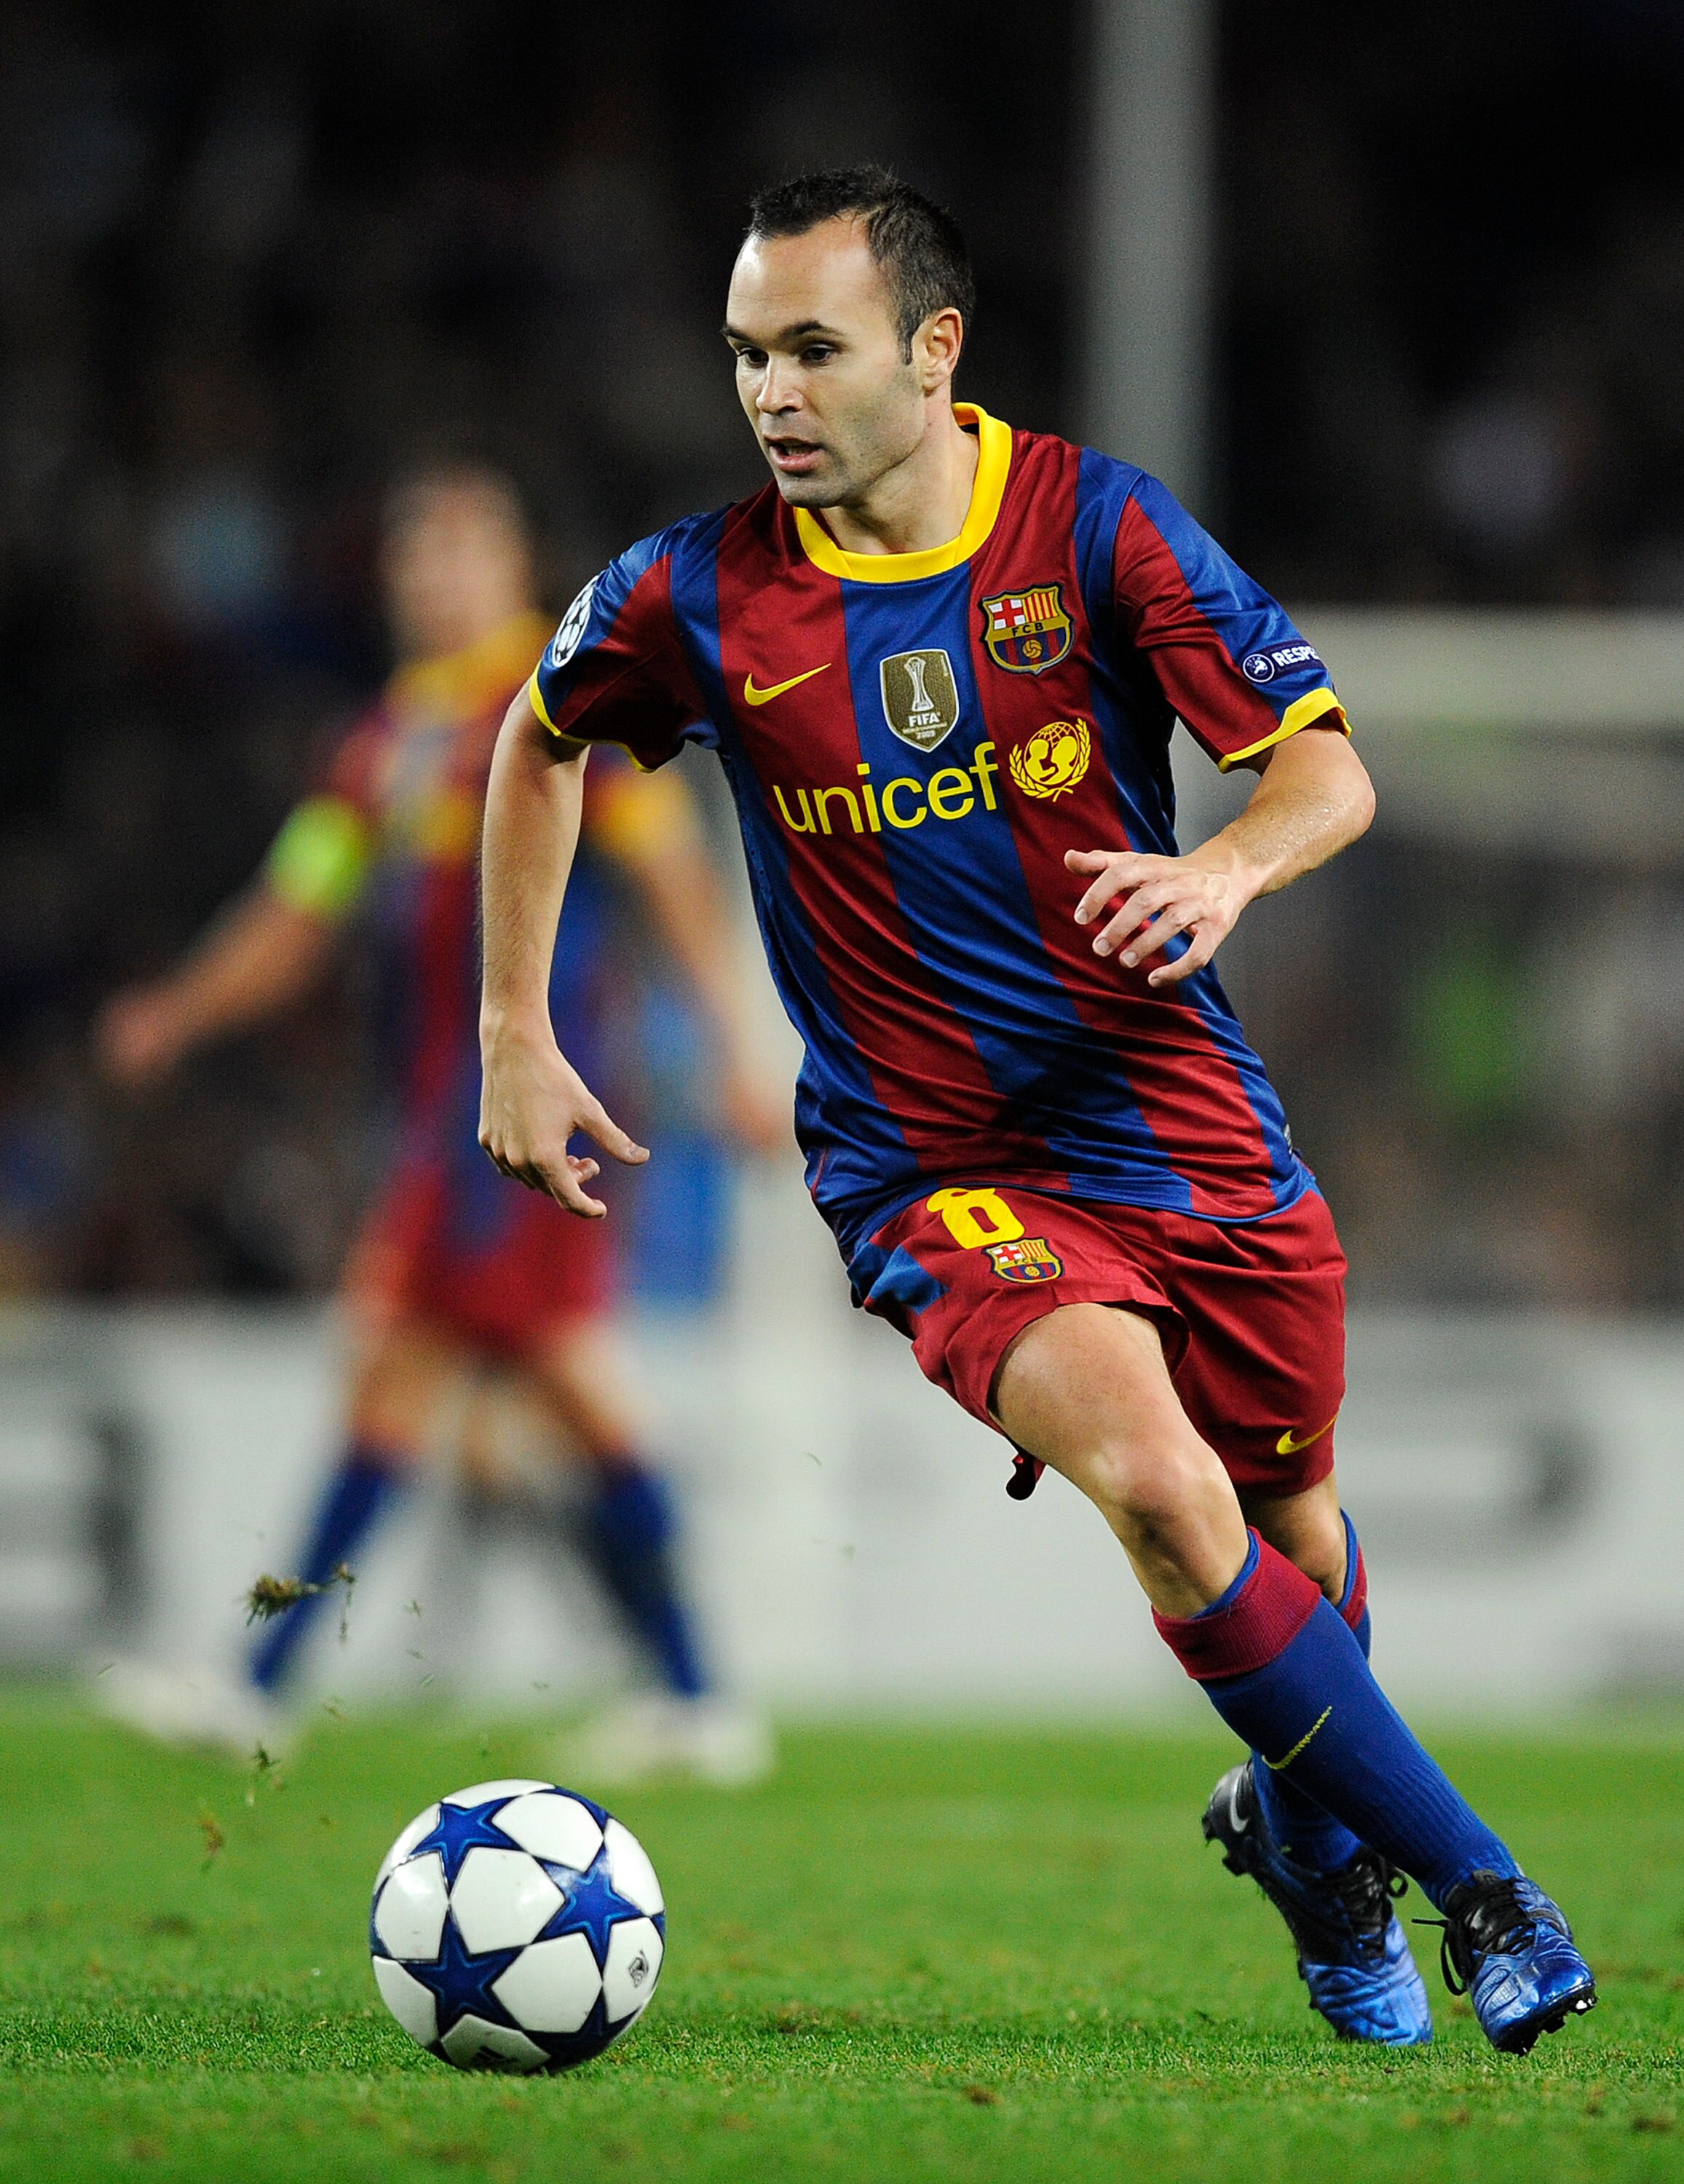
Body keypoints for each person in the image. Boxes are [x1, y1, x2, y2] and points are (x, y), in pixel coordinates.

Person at [475, 166, 1601, 2053]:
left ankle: (1304, 1844)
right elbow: (538, 736)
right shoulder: (693, 591)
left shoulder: (1093, 529)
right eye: (746, 353)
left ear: (932, 350)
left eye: (812, 349)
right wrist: (513, 1021)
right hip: (930, 1169)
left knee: (1293, 1537)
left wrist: (1225, 870)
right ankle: (1488, 1893)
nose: (770, 394)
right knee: (1161, 1490)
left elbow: (1324, 774)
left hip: (1169, 1113)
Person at [98, 463, 778, 1784]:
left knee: (425, 1362)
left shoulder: (570, 700)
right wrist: (180, 1011)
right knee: (536, 1381)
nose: (438, 575)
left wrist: (736, 1050)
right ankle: (694, 1697)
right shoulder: (384, 745)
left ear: (516, 568)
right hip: (436, 1114)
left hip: (539, 1100)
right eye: (417, 552)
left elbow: (674, 876)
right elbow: (298, 909)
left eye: (465, 550)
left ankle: (260, 1687)